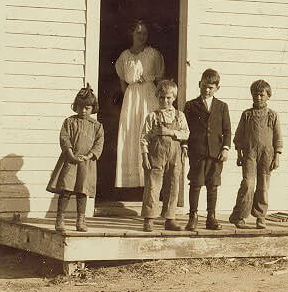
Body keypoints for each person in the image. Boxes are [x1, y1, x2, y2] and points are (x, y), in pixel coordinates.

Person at [47, 85, 104, 233]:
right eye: (80, 107)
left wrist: (89, 155)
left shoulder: (96, 126)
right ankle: (60, 219)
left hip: (86, 163)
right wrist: (71, 154)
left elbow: (99, 143)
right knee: (66, 190)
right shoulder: (69, 122)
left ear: (93, 108)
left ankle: (81, 220)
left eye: (87, 108)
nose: (83, 111)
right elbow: (64, 139)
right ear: (76, 106)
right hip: (71, 161)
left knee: (82, 191)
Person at [114, 20, 165, 188]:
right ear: (132, 34)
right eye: (138, 33)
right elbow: (122, 82)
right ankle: (132, 181)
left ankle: (149, 180)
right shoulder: (124, 56)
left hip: (149, 95)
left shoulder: (153, 54)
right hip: (131, 97)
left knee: (147, 131)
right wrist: (130, 97)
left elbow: (160, 82)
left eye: (144, 33)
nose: (142, 36)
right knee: (131, 132)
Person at [228, 79, 283, 229]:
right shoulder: (246, 115)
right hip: (249, 154)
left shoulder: (273, 116)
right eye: (255, 94)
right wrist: (239, 155)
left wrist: (277, 156)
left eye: (261, 94)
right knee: (248, 184)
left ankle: (260, 216)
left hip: (267, 155)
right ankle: (240, 216)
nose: (258, 97)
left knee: (263, 186)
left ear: (268, 95)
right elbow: (239, 137)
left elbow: (278, 138)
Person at [183, 69, 232, 231]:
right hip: (197, 152)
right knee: (196, 183)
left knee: (213, 185)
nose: (207, 90)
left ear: (217, 88)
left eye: (211, 87)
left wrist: (225, 148)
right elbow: (185, 129)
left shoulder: (222, 107)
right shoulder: (190, 106)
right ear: (199, 84)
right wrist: (185, 145)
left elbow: (227, 130)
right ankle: (193, 216)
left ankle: (211, 217)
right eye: (204, 86)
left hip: (216, 153)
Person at [140, 79, 189, 232]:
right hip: (156, 155)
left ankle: (170, 218)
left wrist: (170, 132)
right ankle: (149, 218)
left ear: (174, 98)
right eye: (162, 97)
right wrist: (145, 156)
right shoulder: (152, 117)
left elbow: (186, 133)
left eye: (168, 97)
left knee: (173, 185)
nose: (165, 101)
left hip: (175, 155)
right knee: (153, 187)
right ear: (157, 97)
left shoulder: (179, 116)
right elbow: (144, 138)